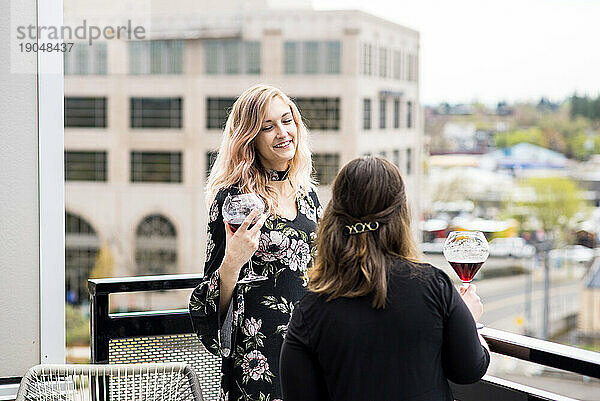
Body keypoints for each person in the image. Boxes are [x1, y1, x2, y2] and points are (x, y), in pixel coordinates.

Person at [280, 157, 490, 401]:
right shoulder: (434, 285)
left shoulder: (310, 311)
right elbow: (470, 369)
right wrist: (470, 321)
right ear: (401, 215)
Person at [189, 84, 322, 401]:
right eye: (268, 126)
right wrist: (233, 260)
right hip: (259, 355)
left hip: (313, 347)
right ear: (250, 138)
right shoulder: (233, 201)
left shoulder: (309, 196)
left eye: (286, 120)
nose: (283, 132)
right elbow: (208, 301)